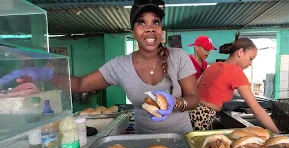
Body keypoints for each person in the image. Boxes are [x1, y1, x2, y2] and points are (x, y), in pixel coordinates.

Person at [0, 0, 199, 135]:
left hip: (181, 136)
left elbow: (194, 99)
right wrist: (45, 74)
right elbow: (79, 84)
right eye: (141, 22)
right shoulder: (120, 65)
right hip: (143, 139)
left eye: (155, 22)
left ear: (161, 29)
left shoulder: (178, 57)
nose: (149, 28)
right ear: (133, 31)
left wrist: (176, 103)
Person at [189, 33, 280, 134]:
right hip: (201, 118)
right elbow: (257, 110)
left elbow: (193, 86)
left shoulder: (214, 65)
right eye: (251, 58)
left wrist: (202, 101)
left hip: (190, 114)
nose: (251, 63)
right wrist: (277, 133)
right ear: (240, 52)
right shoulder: (236, 72)